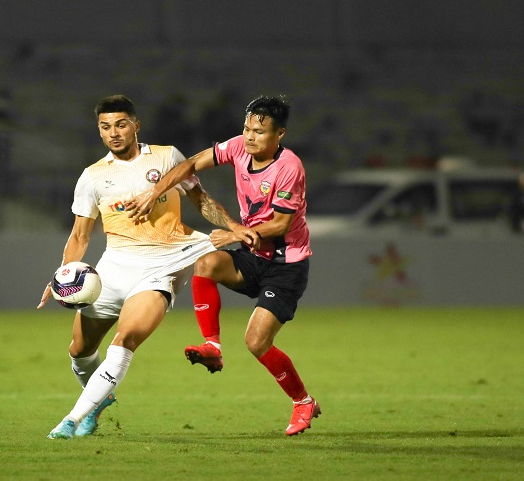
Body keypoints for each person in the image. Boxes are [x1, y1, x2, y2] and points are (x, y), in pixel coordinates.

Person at [37, 95, 255, 439]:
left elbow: (201, 200)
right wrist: (63, 274)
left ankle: (72, 420)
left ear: (136, 125)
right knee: (79, 351)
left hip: (162, 266)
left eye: (121, 124)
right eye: (105, 127)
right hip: (113, 269)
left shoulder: (167, 157)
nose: (114, 133)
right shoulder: (93, 176)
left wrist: (233, 226)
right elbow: (80, 235)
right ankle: (99, 401)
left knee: (124, 340)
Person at [126, 96, 320, 436]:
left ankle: (303, 401)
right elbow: (190, 165)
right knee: (206, 264)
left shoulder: (289, 167)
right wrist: (153, 192)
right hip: (253, 255)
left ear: (279, 134)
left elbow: (281, 224)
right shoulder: (237, 147)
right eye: (247, 129)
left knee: (256, 342)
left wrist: (233, 233)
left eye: (259, 131)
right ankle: (213, 347)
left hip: (285, 263)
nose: (250, 137)